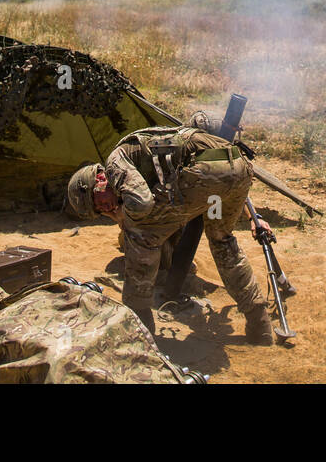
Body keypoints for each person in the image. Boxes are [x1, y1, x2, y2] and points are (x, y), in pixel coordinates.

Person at [66, 121, 275, 344]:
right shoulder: (139, 152)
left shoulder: (114, 162)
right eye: (100, 212)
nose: (104, 209)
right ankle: (259, 322)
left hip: (205, 175)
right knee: (222, 240)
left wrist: (123, 218)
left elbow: (142, 204)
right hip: (237, 170)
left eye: (98, 203)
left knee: (140, 236)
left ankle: (140, 328)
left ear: (98, 180)